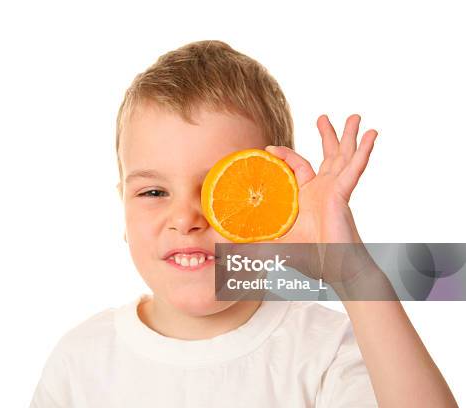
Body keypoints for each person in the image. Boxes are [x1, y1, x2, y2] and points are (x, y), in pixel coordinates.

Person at [29, 40, 457, 407]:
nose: (185, 218)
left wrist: (354, 275)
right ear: (123, 207)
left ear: (273, 202)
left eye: (221, 192)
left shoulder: (324, 352)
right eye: (154, 193)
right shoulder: (81, 362)